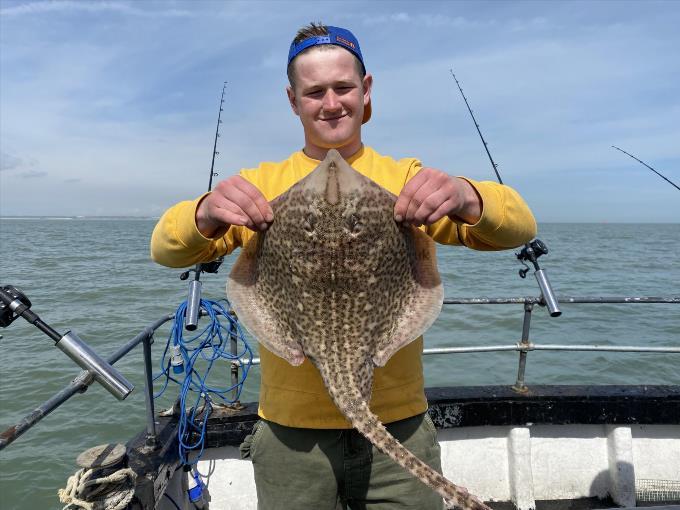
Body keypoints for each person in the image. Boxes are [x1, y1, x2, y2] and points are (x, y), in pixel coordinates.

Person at [151, 23, 536, 510]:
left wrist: (466, 195)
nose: (331, 103)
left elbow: (519, 227)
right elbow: (166, 249)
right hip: (293, 435)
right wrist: (205, 211)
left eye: (343, 87)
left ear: (366, 89)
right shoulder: (260, 187)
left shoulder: (407, 180)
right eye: (315, 92)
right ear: (293, 100)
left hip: (401, 420)